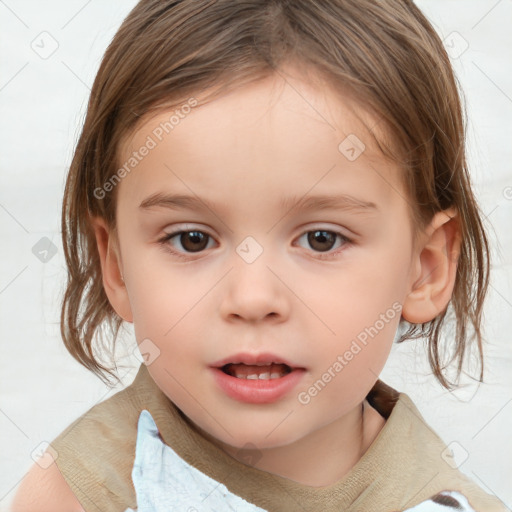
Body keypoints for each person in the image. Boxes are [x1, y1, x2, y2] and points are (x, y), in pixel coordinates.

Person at [11, 0, 506, 511]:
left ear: (425, 268)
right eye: (192, 239)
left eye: (321, 239)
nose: (252, 298)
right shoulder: (81, 493)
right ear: (116, 267)